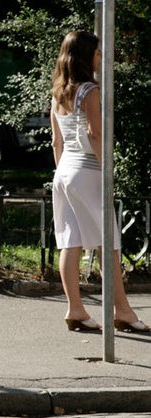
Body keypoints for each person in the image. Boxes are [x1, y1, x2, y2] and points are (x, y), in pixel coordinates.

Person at [50, 31, 149, 333]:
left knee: (71, 241)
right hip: (88, 170)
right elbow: (95, 134)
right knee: (110, 244)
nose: (100, 57)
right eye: (96, 52)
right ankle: (124, 311)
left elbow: (57, 142)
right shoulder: (90, 90)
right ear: (84, 56)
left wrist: (64, 173)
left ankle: (76, 310)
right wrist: (107, 170)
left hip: (64, 172)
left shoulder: (57, 93)